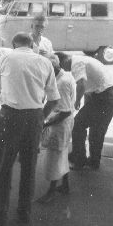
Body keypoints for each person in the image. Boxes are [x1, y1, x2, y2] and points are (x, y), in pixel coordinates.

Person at [0, 32, 60, 226]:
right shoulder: (45, 63)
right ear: (31, 45)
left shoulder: (3, 60)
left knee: (4, 167)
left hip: (9, 118)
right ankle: (24, 212)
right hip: (34, 117)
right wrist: (40, 119)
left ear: (13, 44)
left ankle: (0, 212)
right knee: (29, 166)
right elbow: (54, 99)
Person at [55, 52, 113, 170]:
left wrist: (76, 102)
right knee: (95, 128)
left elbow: (81, 85)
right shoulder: (80, 60)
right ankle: (90, 159)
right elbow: (89, 84)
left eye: (61, 67)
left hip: (105, 97)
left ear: (64, 61)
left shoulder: (76, 64)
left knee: (79, 125)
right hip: (104, 94)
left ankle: (80, 160)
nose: (64, 70)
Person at [37, 54, 76, 203]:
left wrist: (44, 123)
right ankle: (65, 185)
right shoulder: (66, 76)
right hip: (62, 121)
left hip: (61, 123)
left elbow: (65, 111)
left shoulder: (61, 83)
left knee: (54, 158)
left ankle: (51, 192)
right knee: (62, 154)